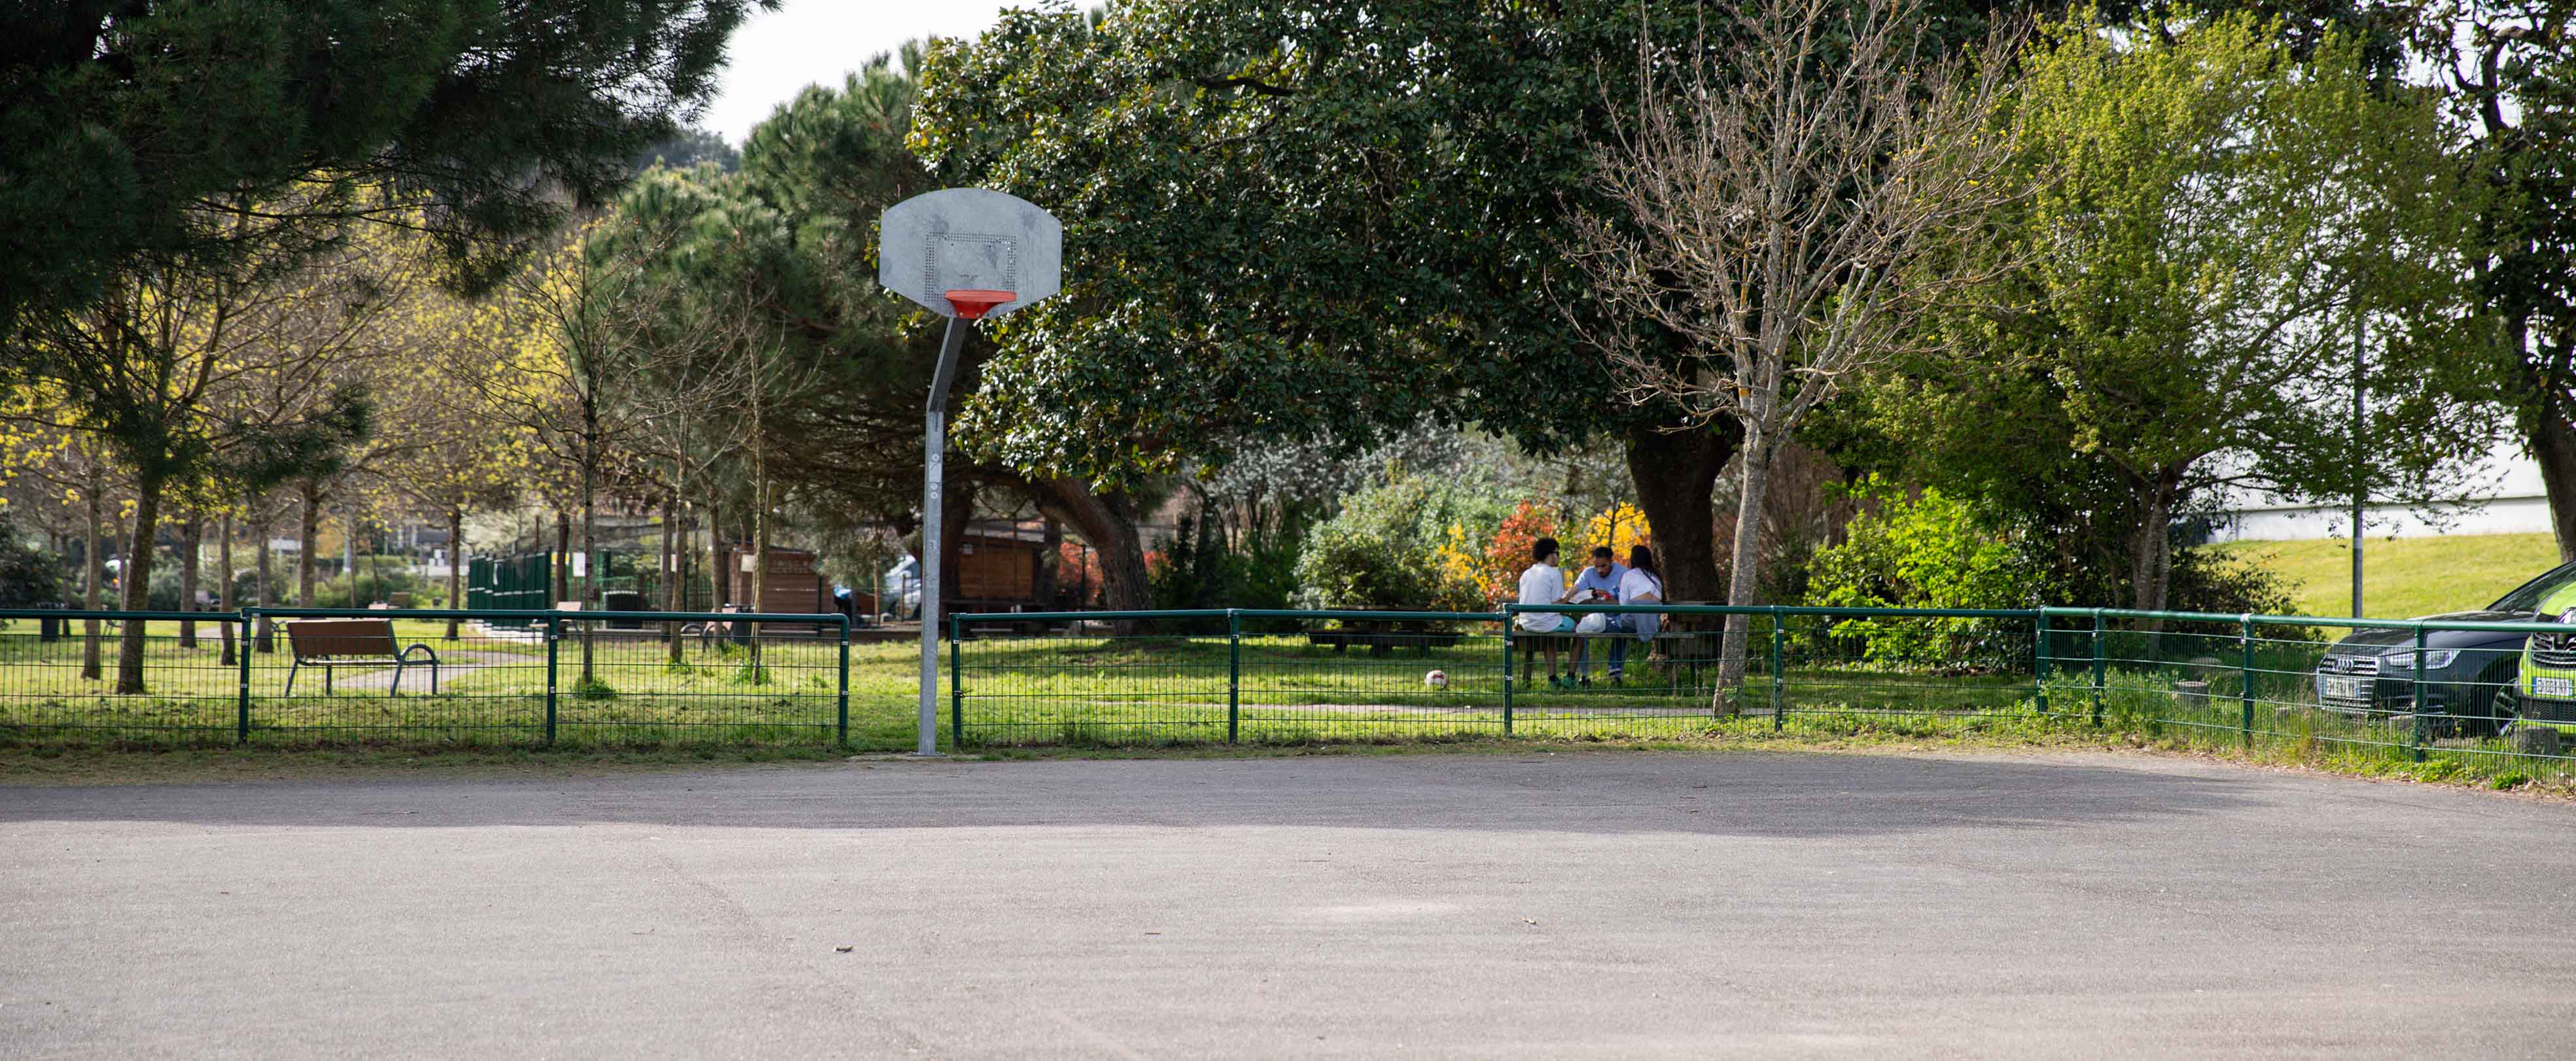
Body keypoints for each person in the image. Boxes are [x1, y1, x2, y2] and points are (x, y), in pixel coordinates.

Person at [1515, 538, 1583, 687]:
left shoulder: (1527, 573)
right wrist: (1569, 596)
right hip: (1546, 622)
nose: (1559, 557)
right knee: (1581, 631)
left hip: (1527, 623)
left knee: (1550, 635)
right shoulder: (1554, 573)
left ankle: (1553, 680)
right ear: (1550, 554)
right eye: (1558, 553)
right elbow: (1557, 605)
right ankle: (1571, 677)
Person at [1567, 547, 1627, 684]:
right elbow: (1576, 593)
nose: (1600, 570)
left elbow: (1628, 599)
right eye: (1597, 566)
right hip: (1593, 617)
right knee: (1582, 631)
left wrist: (1611, 599)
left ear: (1611, 561)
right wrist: (1591, 595)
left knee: (1622, 627)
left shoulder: (1624, 573)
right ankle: (1584, 675)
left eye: (1604, 566)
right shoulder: (1588, 573)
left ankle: (1616, 671)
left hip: (1615, 617)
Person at [1605, 545, 1665, 683]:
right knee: (1619, 626)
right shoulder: (1656, 576)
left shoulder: (1628, 575)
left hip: (1633, 622)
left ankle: (1615, 668)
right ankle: (1615, 669)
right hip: (1654, 624)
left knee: (1614, 625)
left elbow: (1624, 605)